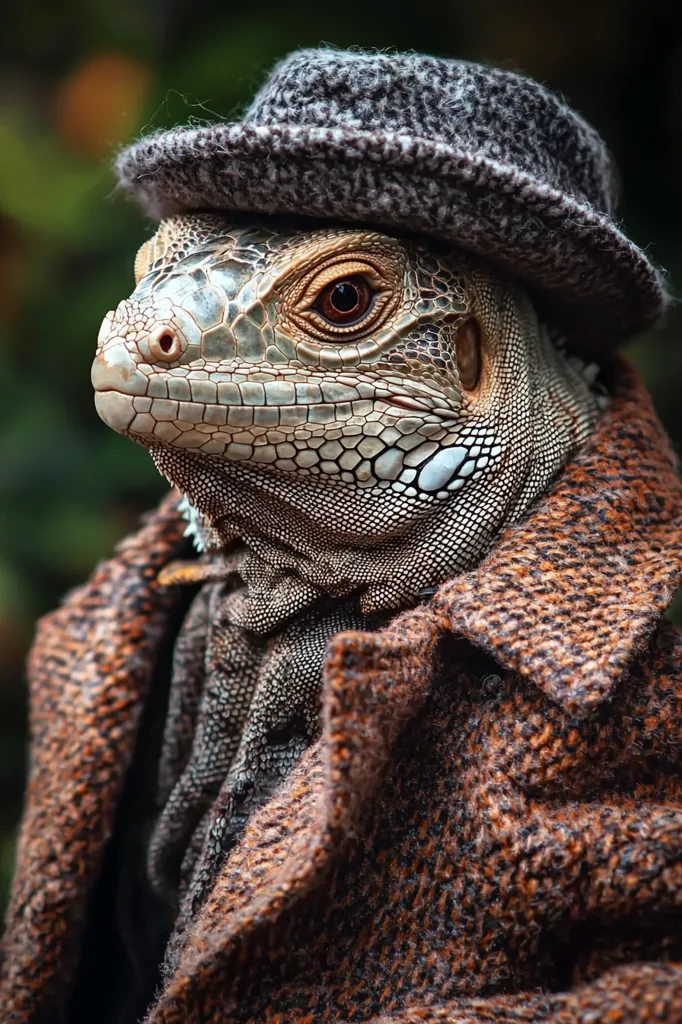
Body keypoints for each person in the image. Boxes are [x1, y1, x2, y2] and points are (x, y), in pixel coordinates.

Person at [2, 47, 681, 1024]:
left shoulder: (623, 709)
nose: (148, 334)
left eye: (342, 301)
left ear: (470, 358)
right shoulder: (128, 619)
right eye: (163, 273)